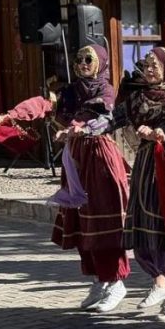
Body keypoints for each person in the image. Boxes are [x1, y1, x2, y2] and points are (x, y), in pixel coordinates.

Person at [94, 47, 165, 315]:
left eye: (155, 66)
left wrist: (161, 133)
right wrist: (85, 130)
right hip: (145, 166)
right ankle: (158, 281)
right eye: (146, 65)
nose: (149, 70)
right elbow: (113, 119)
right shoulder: (137, 99)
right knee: (145, 225)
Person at [48, 45, 131, 311]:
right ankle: (99, 280)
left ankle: (116, 281)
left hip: (99, 159)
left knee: (103, 221)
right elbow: (58, 117)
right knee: (81, 222)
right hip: (75, 160)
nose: (83, 64)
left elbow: (98, 112)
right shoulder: (69, 92)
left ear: (101, 63)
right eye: (79, 59)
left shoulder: (104, 89)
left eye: (89, 60)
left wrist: (76, 127)